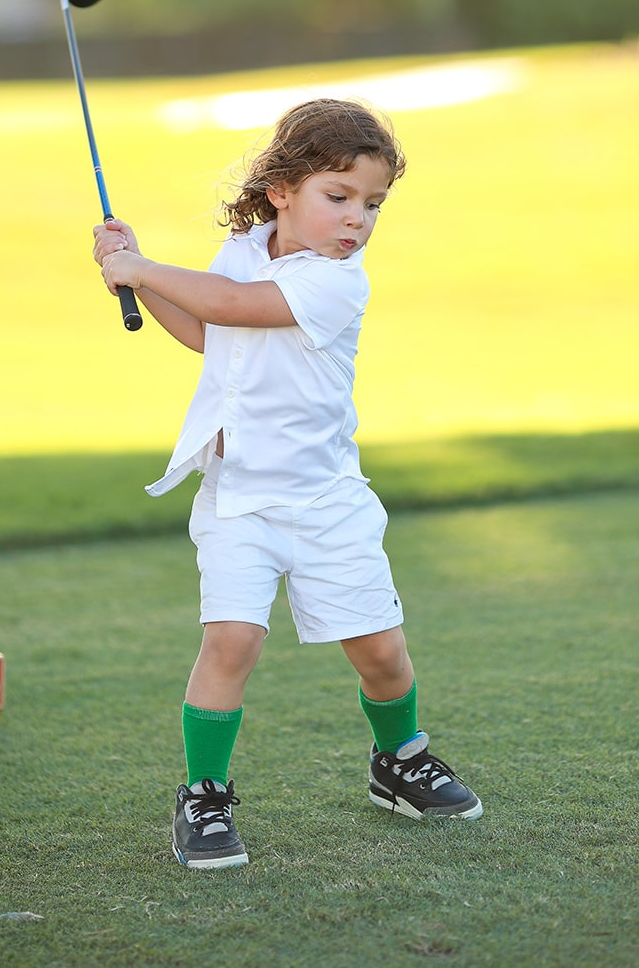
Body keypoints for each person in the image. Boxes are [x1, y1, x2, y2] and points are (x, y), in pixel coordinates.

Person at [92, 97, 481, 871]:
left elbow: (238, 306)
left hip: (326, 501)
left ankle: (398, 760)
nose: (357, 221)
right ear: (281, 190)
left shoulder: (339, 282)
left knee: (381, 654)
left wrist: (142, 268)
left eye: (372, 205)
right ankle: (204, 794)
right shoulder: (244, 252)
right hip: (238, 497)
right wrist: (133, 275)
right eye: (339, 197)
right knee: (231, 639)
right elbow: (214, 332)